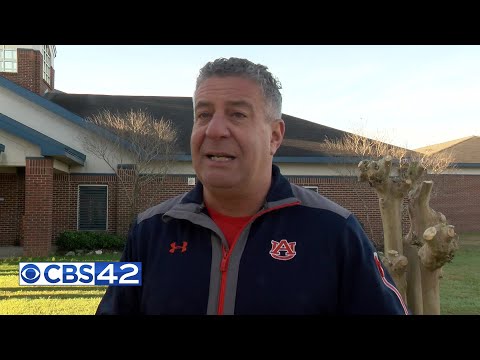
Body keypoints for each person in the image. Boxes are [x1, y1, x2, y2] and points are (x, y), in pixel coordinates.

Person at [96, 57, 409, 315]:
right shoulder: (150, 231)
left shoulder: (335, 231)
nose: (215, 129)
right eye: (203, 114)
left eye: (237, 114)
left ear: (274, 136)